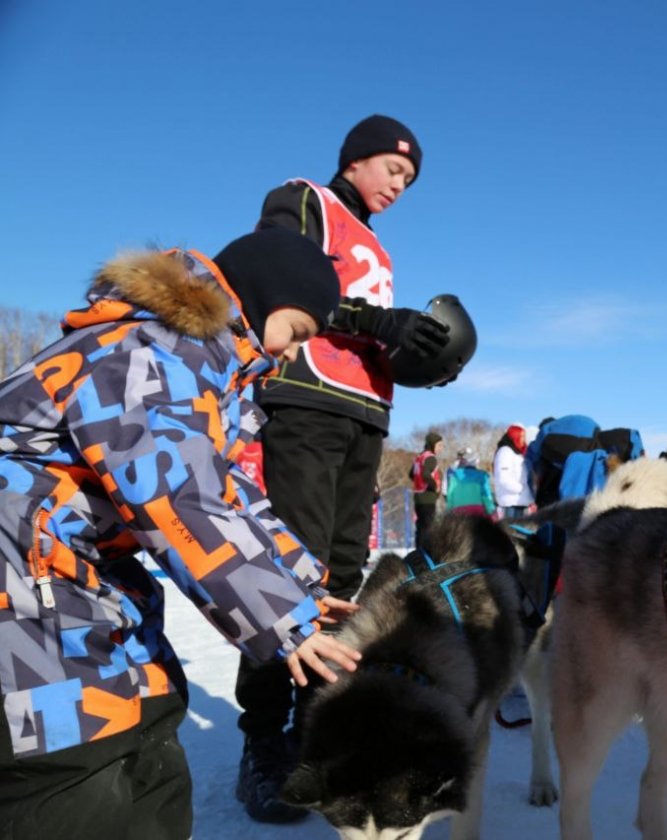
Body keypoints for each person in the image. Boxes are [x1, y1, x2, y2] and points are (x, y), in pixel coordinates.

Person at [0, 231, 362, 839]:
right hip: (22, 586)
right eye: (297, 333)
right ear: (261, 298)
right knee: (73, 757)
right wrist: (283, 619)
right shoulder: (149, 352)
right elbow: (173, 496)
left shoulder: (190, 367)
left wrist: (302, 584)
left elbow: (222, 491)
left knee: (149, 712)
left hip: (71, 572)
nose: (295, 355)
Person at [234, 114, 453, 823]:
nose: (399, 187)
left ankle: (313, 723)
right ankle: (262, 741)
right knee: (289, 571)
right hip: (306, 402)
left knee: (342, 572)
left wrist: (417, 356)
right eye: (394, 170)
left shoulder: (380, 249)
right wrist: (378, 323)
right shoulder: (305, 200)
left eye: (410, 181)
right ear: (358, 159)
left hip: (365, 415)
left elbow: (369, 332)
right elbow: (282, 280)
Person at [493, 424, 534, 519]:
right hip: (511, 504)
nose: (523, 440)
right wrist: (521, 489)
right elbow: (503, 478)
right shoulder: (505, 452)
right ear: (515, 436)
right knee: (511, 532)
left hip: (520, 503)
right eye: (521, 436)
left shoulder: (517, 454)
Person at [411, 431, 445, 545]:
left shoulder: (419, 457)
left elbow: (411, 474)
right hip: (427, 497)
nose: (441, 448)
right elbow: (426, 474)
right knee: (428, 527)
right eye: (439, 445)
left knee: (420, 527)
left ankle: (419, 551)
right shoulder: (430, 458)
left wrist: (419, 483)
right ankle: (426, 554)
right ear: (432, 444)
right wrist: (434, 486)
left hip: (418, 497)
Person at [445, 449, 496, 518]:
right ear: (476, 463)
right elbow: (486, 496)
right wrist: (492, 511)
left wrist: (448, 511)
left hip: (458, 510)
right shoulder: (481, 475)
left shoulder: (454, 475)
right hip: (476, 510)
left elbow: (450, 495)